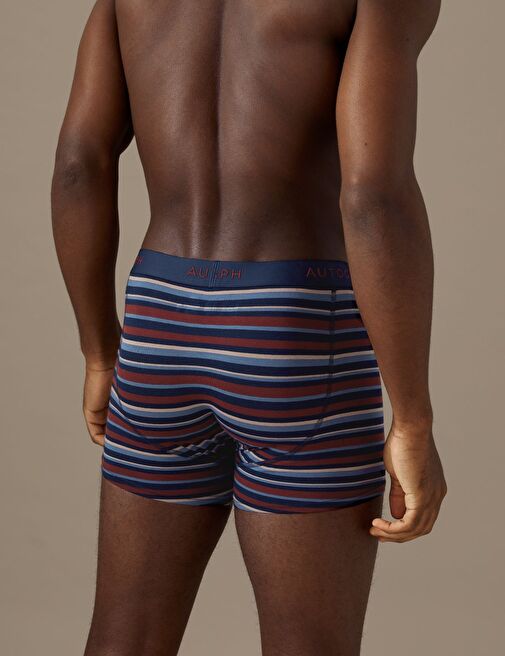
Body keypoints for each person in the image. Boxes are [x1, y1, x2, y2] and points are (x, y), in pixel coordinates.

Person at [51, 1, 447, 654]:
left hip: (159, 320)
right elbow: (373, 197)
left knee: (125, 639)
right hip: (295, 328)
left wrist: (99, 350)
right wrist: (412, 418)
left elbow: (77, 162)